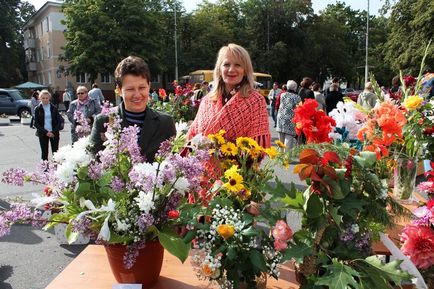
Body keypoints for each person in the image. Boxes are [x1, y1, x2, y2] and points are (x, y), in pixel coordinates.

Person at [89, 56, 176, 162]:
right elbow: (93, 163)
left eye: (142, 88)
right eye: (130, 89)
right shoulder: (103, 121)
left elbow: (173, 162)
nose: (137, 95)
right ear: (119, 90)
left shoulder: (165, 123)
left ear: (149, 86)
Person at [187, 43, 270, 148]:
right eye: (226, 65)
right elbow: (193, 135)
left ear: (245, 70)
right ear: (220, 70)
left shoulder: (255, 101)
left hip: (236, 164)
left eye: (238, 65)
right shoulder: (207, 100)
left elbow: (257, 150)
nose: (231, 70)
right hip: (201, 163)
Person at [34, 90, 61, 160]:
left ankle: (56, 169)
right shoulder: (37, 109)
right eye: (43, 98)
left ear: (49, 98)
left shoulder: (54, 108)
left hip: (54, 133)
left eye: (47, 98)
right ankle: (45, 170)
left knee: (56, 153)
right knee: (44, 153)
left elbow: (59, 121)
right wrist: (46, 132)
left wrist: (53, 132)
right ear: (40, 98)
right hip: (43, 134)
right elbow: (36, 123)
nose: (45, 99)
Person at [276, 80, 301, 152]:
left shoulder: (282, 95)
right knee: (289, 137)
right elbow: (299, 109)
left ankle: (280, 155)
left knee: (281, 137)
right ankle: (286, 157)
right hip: (290, 118)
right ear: (294, 88)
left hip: (281, 117)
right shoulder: (297, 97)